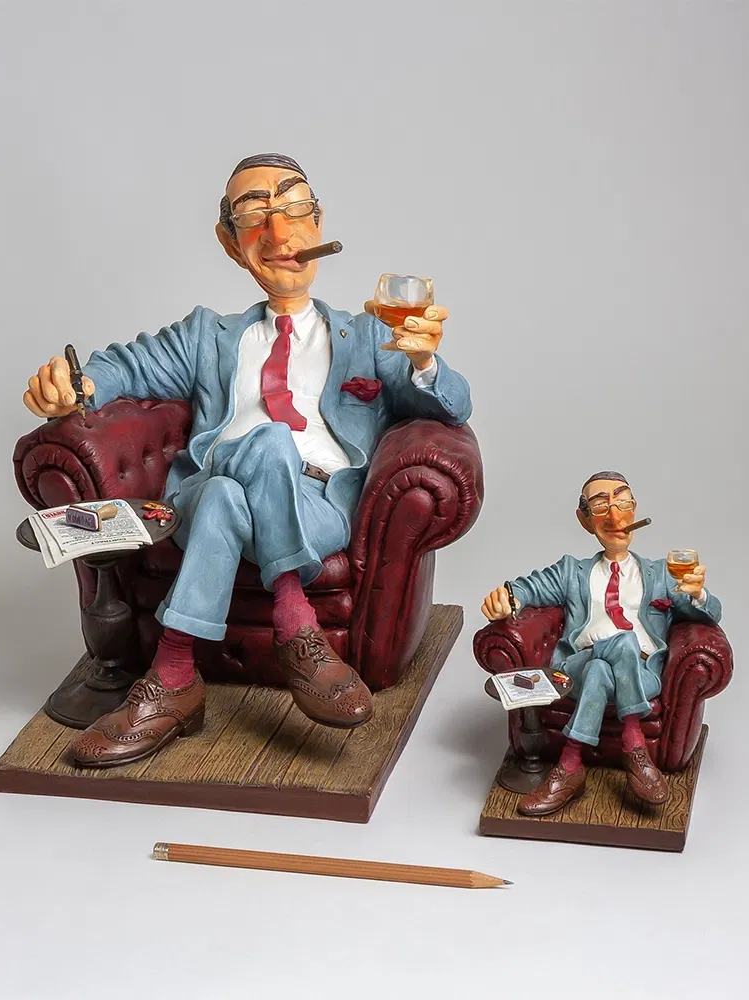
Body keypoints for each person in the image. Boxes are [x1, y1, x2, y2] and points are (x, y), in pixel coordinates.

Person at [23, 152, 473, 767]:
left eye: (294, 209)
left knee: (240, 480)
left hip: (318, 505)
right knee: (243, 464)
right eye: (254, 215)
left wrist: (423, 361)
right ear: (230, 243)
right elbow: (121, 367)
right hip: (203, 489)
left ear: (318, 223)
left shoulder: (369, 336)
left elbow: (450, 406)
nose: (279, 232)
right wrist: (71, 386)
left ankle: (173, 677)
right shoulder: (207, 335)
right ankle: (297, 626)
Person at [480, 471, 721, 816]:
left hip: (642, 673)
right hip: (575, 667)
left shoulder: (661, 574)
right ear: (585, 520)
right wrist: (505, 599)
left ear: (634, 510)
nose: (615, 516)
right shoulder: (571, 571)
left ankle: (570, 766)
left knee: (602, 667)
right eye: (600, 506)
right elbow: (526, 588)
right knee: (611, 649)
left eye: (622, 502)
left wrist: (698, 594)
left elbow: (709, 613)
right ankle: (634, 746)